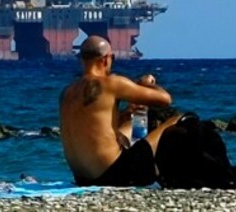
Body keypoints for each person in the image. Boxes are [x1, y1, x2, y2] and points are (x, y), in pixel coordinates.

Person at [59, 35, 181, 187]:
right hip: (117, 175)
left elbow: (96, 128)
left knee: (137, 118)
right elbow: (165, 99)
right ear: (105, 59)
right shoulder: (112, 83)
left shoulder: (67, 92)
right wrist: (147, 83)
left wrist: (127, 113)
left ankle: (140, 147)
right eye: (112, 58)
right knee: (179, 119)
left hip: (83, 179)